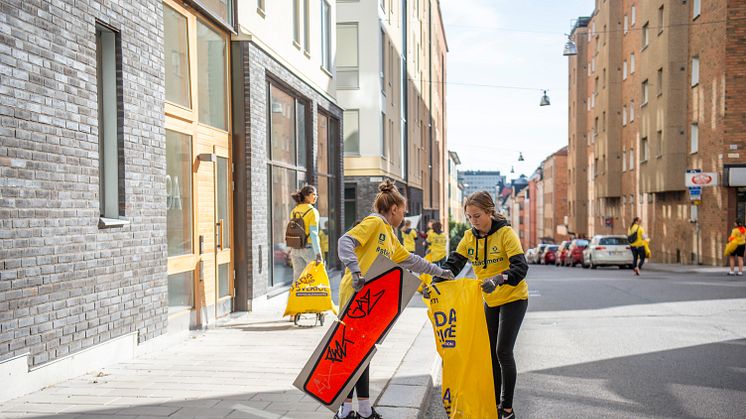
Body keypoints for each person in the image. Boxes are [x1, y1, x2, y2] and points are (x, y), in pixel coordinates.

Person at [335, 179, 454, 419]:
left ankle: (364, 410)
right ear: (394, 210)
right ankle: (346, 411)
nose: (405, 216)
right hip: (355, 295)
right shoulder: (374, 223)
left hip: (369, 300)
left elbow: (412, 260)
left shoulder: (389, 235)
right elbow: (345, 241)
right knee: (353, 354)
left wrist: (440, 271)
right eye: (404, 211)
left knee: (363, 354)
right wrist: (356, 270)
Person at [433, 191, 529, 419]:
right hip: (490, 300)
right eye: (469, 217)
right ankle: (492, 404)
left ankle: (507, 408)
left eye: (477, 216)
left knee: (503, 351)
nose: (473, 221)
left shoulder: (506, 234)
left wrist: (498, 279)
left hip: (514, 298)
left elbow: (521, 267)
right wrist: (436, 282)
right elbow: (454, 264)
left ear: (489, 212)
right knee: (489, 355)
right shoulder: (469, 237)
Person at [289, 185, 322, 283]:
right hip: (309, 249)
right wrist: (318, 253)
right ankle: (311, 299)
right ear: (307, 196)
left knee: (298, 280)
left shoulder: (294, 211)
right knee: (312, 279)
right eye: (314, 194)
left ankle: (296, 298)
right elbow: (313, 234)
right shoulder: (312, 211)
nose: (316, 197)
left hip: (295, 249)